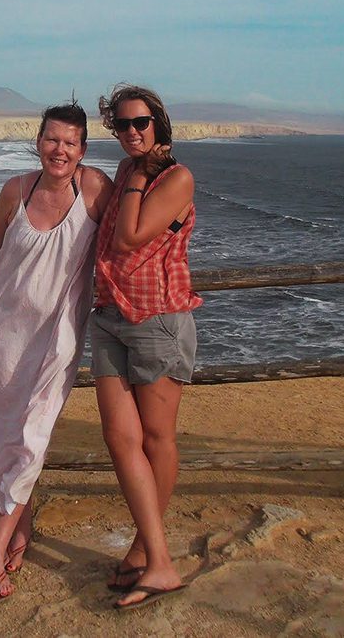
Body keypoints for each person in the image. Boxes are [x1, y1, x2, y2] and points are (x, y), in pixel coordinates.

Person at [0, 102, 113, 602]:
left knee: (31, 434)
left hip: (55, 338)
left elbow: (125, 239)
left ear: (83, 149)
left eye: (70, 142)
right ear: (38, 141)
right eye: (51, 139)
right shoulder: (15, 190)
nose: (59, 149)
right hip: (1, 332)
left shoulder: (95, 190)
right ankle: (22, 522)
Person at [90, 84, 202, 610]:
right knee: (119, 437)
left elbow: (128, 238)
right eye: (121, 125)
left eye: (141, 123)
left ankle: (152, 558)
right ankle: (148, 553)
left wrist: (135, 174)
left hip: (158, 321)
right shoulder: (123, 172)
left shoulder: (176, 178)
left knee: (157, 439)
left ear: (159, 123)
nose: (132, 132)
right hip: (110, 317)